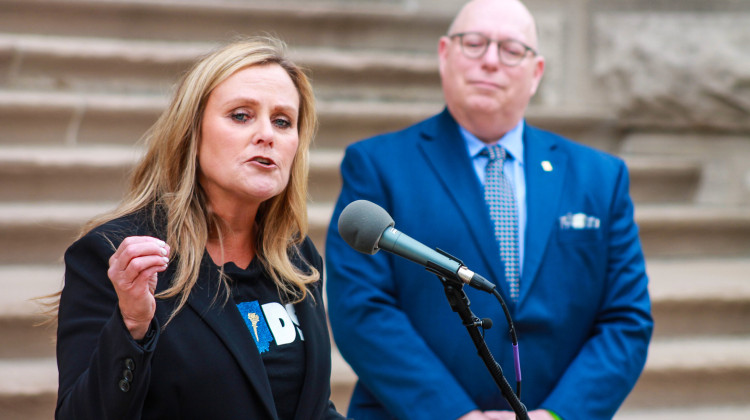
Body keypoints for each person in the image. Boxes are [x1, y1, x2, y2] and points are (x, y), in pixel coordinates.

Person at [324, 0, 653, 419]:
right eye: (474, 43)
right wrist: (454, 414)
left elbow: (626, 319)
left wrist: (556, 415)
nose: (491, 61)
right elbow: (361, 308)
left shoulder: (600, 178)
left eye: (512, 49)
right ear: (445, 54)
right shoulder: (376, 165)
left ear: (536, 73)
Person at [54, 37, 345, 420]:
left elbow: (310, 408)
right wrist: (131, 327)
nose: (267, 134)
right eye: (241, 115)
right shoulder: (118, 256)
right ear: (192, 133)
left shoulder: (297, 256)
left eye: (282, 121)